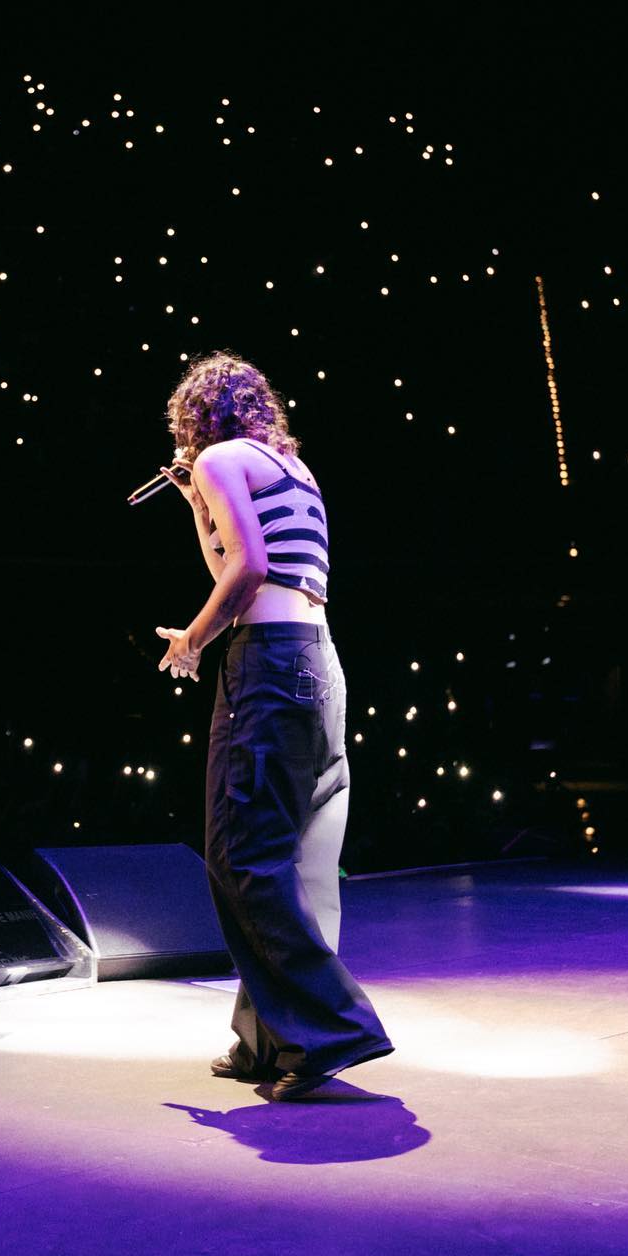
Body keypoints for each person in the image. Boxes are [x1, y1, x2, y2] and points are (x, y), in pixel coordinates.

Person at [154, 351, 393, 1100]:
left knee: (241, 853)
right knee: (290, 860)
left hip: (270, 664)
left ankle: (332, 1028)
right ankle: (267, 1040)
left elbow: (246, 568)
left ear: (196, 420)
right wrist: (197, 505)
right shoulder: (292, 468)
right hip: (320, 664)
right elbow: (239, 557)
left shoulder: (223, 457)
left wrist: (191, 640)